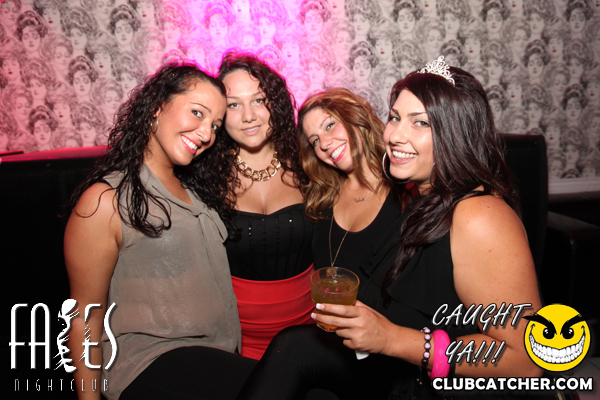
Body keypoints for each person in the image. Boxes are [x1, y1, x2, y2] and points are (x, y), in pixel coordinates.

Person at [236, 58, 544, 400]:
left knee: (295, 349)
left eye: (420, 122)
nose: (395, 135)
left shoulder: (480, 215)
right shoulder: (422, 198)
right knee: (294, 348)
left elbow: (526, 360)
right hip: (390, 369)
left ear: (456, 131)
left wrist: (393, 339)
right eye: (395, 118)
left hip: (436, 387)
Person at [64, 62, 255, 400]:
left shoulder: (198, 194)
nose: (207, 134)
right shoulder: (106, 200)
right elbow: (84, 319)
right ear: (156, 107)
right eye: (197, 113)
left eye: (215, 125)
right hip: (146, 364)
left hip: (212, 360)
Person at [211, 52, 314, 360]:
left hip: (311, 331)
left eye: (259, 100)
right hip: (233, 338)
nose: (249, 116)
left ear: (276, 104)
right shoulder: (204, 177)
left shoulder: (311, 163)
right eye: (233, 105)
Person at [296, 88, 402, 291]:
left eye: (329, 125)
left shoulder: (406, 192)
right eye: (315, 140)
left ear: (355, 117)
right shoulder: (321, 199)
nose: (324, 143)